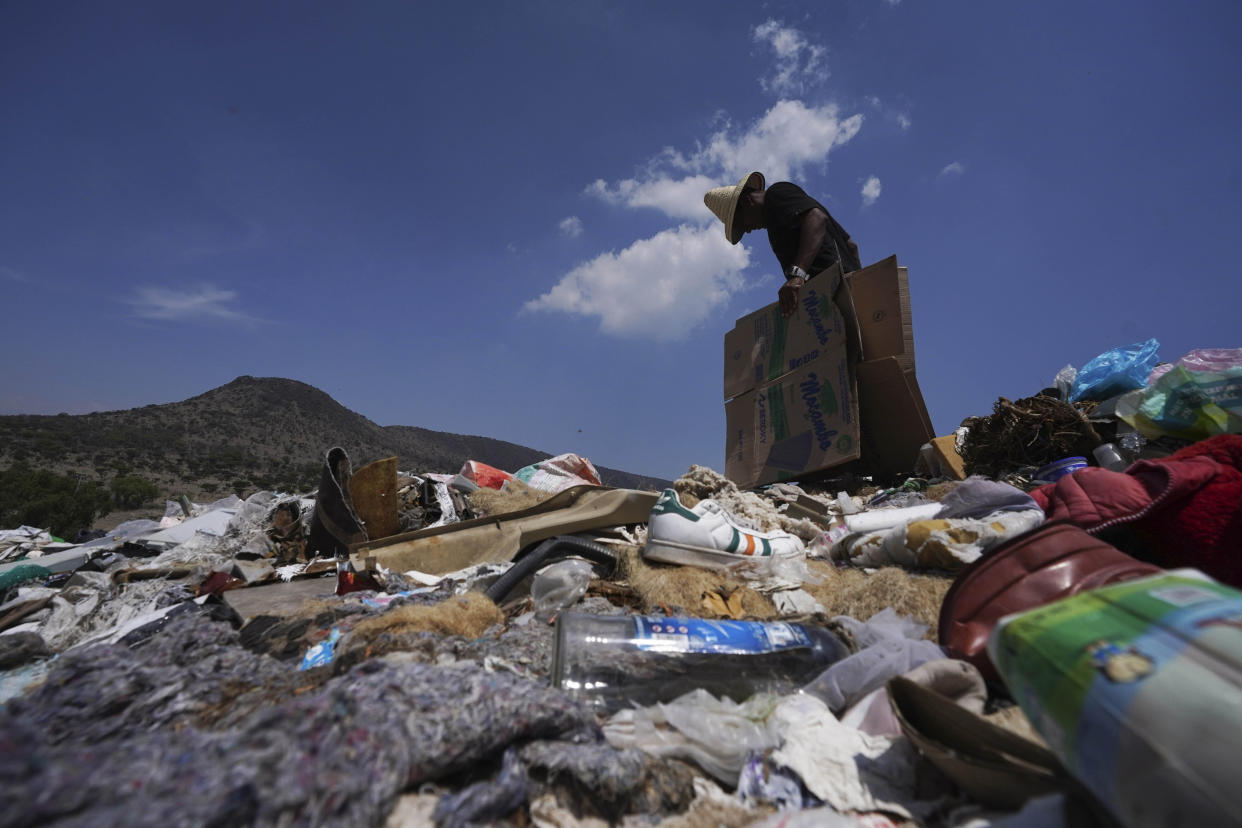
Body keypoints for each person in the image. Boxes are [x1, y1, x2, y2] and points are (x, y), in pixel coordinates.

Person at [705, 171, 860, 318]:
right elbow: (851, 246)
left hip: (838, 292)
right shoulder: (776, 226)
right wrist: (863, 280)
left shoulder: (776, 194)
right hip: (842, 294)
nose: (748, 230)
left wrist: (798, 275)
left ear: (748, 202)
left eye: (741, 223)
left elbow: (816, 218)